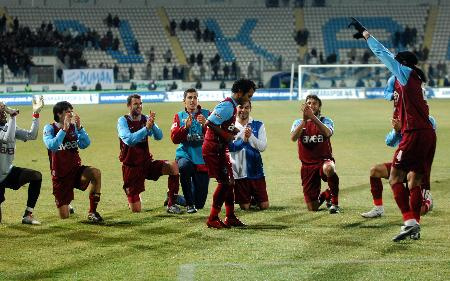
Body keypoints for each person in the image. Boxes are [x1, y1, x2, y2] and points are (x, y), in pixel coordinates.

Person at [349, 18, 436, 241]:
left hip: (415, 133)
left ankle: (408, 221)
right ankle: (415, 226)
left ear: (403, 63)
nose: (393, 65)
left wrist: (367, 35)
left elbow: (383, 53)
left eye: (397, 62)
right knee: (414, 180)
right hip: (428, 134)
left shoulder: (405, 73)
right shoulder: (416, 80)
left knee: (396, 177)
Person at [202, 79, 255, 229]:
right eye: (248, 96)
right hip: (213, 149)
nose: (249, 99)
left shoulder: (232, 106)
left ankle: (230, 216)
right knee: (225, 182)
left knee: (230, 182)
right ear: (239, 93)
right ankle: (212, 218)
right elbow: (209, 123)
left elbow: (221, 124)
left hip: (220, 149)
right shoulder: (227, 105)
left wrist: (232, 130)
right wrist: (226, 135)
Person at [361, 115, 436, 219]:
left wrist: (406, 130)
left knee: (419, 211)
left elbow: (427, 140)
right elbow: (389, 142)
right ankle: (378, 208)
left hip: (418, 168)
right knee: (375, 170)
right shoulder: (402, 120)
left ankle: (428, 201)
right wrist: (396, 131)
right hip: (403, 165)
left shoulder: (428, 120)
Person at [117, 94, 181, 214]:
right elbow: (129, 140)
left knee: (173, 166)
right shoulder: (122, 121)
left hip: (146, 163)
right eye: (135, 104)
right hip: (131, 167)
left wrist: (152, 125)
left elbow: (159, 136)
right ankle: (133, 194)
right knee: (136, 210)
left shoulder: (145, 119)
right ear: (129, 106)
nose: (139, 106)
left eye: (140, 103)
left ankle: (171, 202)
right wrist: (146, 129)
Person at [43, 101, 103, 222]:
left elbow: (85, 144)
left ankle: (92, 212)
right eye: (67, 112)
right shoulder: (49, 128)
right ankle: (66, 204)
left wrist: (80, 128)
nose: (71, 114)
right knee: (64, 216)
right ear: (59, 114)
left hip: (76, 171)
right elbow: (52, 145)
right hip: (60, 176)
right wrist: (64, 129)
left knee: (96, 173)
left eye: (71, 111)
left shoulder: (73, 128)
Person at [290, 94, 340, 213]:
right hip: (307, 166)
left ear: (319, 106)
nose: (311, 105)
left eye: (314, 103)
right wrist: (304, 120)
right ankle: (327, 194)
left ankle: (335, 203)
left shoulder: (326, 120)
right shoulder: (298, 122)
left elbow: (327, 133)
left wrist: (313, 118)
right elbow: (293, 138)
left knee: (329, 168)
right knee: (312, 208)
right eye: (308, 103)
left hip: (323, 160)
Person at [0, 97, 44, 224]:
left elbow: (32, 135)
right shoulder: (10, 125)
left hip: (7, 172)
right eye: (1, 112)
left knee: (36, 176)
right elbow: (7, 139)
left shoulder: (9, 126)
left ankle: (28, 215)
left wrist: (36, 114)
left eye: (3, 111)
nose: (3, 114)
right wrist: (12, 117)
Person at [170, 89, 210, 213]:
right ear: (184, 101)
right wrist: (185, 128)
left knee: (200, 204)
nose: (192, 100)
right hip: (185, 155)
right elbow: (174, 139)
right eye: (189, 98)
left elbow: (214, 136)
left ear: (198, 100)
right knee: (184, 167)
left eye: (194, 97)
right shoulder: (179, 116)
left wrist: (206, 126)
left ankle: (177, 198)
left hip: (202, 159)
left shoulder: (207, 114)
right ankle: (189, 205)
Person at [229, 101, 268, 210]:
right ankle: (250, 199)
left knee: (264, 206)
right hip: (239, 172)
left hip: (256, 171)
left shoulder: (258, 124)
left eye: (247, 107)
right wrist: (243, 141)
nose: (243, 110)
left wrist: (251, 137)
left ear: (250, 108)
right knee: (245, 207)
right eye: (241, 107)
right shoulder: (230, 126)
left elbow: (263, 147)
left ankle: (254, 198)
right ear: (236, 108)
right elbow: (230, 147)